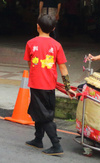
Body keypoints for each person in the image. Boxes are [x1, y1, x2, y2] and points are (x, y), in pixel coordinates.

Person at [24, 14, 70, 156]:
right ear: (53, 28)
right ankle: (38, 139)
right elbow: (63, 68)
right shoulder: (57, 45)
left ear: (37, 26)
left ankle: (56, 145)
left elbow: (29, 63)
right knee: (40, 111)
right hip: (50, 85)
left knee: (44, 115)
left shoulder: (30, 43)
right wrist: (67, 86)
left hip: (37, 84)